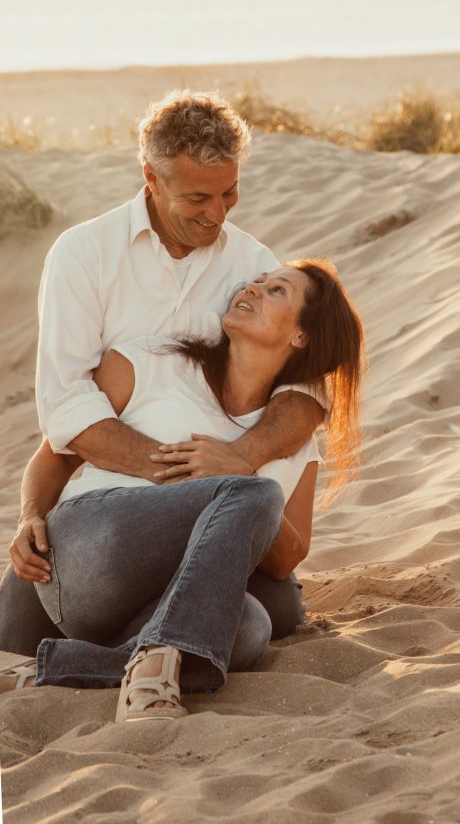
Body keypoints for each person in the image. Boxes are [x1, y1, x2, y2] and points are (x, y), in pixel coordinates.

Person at [0, 90, 326, 655]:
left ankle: (116, 656)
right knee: (15, 631)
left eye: (229, 194)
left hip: (208, 524)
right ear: (151, 178)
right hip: (110, 512)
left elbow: (304, 385)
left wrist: (242, 460)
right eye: (197, 197)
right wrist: (187, 477)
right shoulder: (84, 255)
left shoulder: (250, 263)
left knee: (271, 614)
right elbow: (68, 411)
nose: (217, 214)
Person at [0, 259, 363, 722]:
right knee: (254, 494)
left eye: (276, 291)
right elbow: (55, 451)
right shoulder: (150, 362)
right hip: (87, 551)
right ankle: (154, 659)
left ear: (301, 336)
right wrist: (30, 512)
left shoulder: (294, 442)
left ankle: (69, 666)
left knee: (251, 624)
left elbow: (287, 558)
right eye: (257, 281)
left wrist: (237, 480)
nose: (252, 288)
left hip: (157, 597)